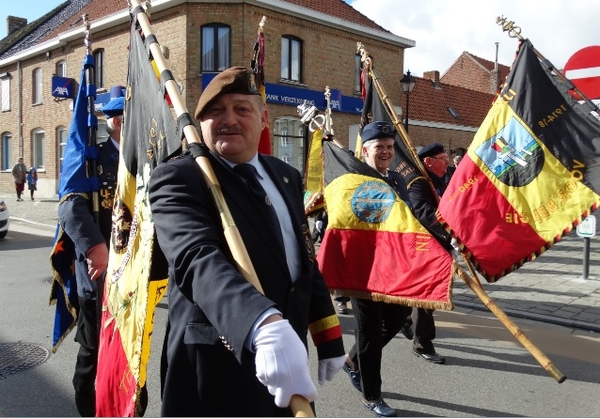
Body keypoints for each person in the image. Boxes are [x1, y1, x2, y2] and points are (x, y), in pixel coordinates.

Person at [148, 66, 346, 417]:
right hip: (215, 369)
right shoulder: (178, 177)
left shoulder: (285, 175)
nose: (229, 120)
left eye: (242, 108)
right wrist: (261, 323)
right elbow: (196, 258)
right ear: (199, 122)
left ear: (263, 117)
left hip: (287, 359)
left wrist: (328, 337)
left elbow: (303, 259)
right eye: (215, 112)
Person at [57, 95, 148, 416]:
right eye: (117, 116)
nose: (123, 122)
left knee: (133, 354)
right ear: (114, 121)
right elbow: (69, 206)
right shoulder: (91, 159)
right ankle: (89, 408)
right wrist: (96, 247)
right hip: (99, 279)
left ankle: (131, 411)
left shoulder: (144, 158)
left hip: (136, 278)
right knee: (92, 358)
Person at [341, 121, 414, 418]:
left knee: (396, 319)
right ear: (365, 149)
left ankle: (352, 360)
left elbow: (407, 218)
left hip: (393, 268)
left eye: (388, 147)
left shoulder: (396, 178)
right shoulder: (354, 179)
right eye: (378, 147)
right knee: (369, 332)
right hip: (364, 269)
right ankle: (372, 396)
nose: (385, 152)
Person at [405, 142, 455, 365]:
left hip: (439, 245)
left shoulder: (440, 180)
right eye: (443, 158)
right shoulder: (419, 183)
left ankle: (405, 321)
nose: (447, 162)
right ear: (429, 162)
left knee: (420, 296)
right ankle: (422, 343)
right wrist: (450, 225)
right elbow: (423, 213)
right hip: (424, 247)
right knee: (427, 296)